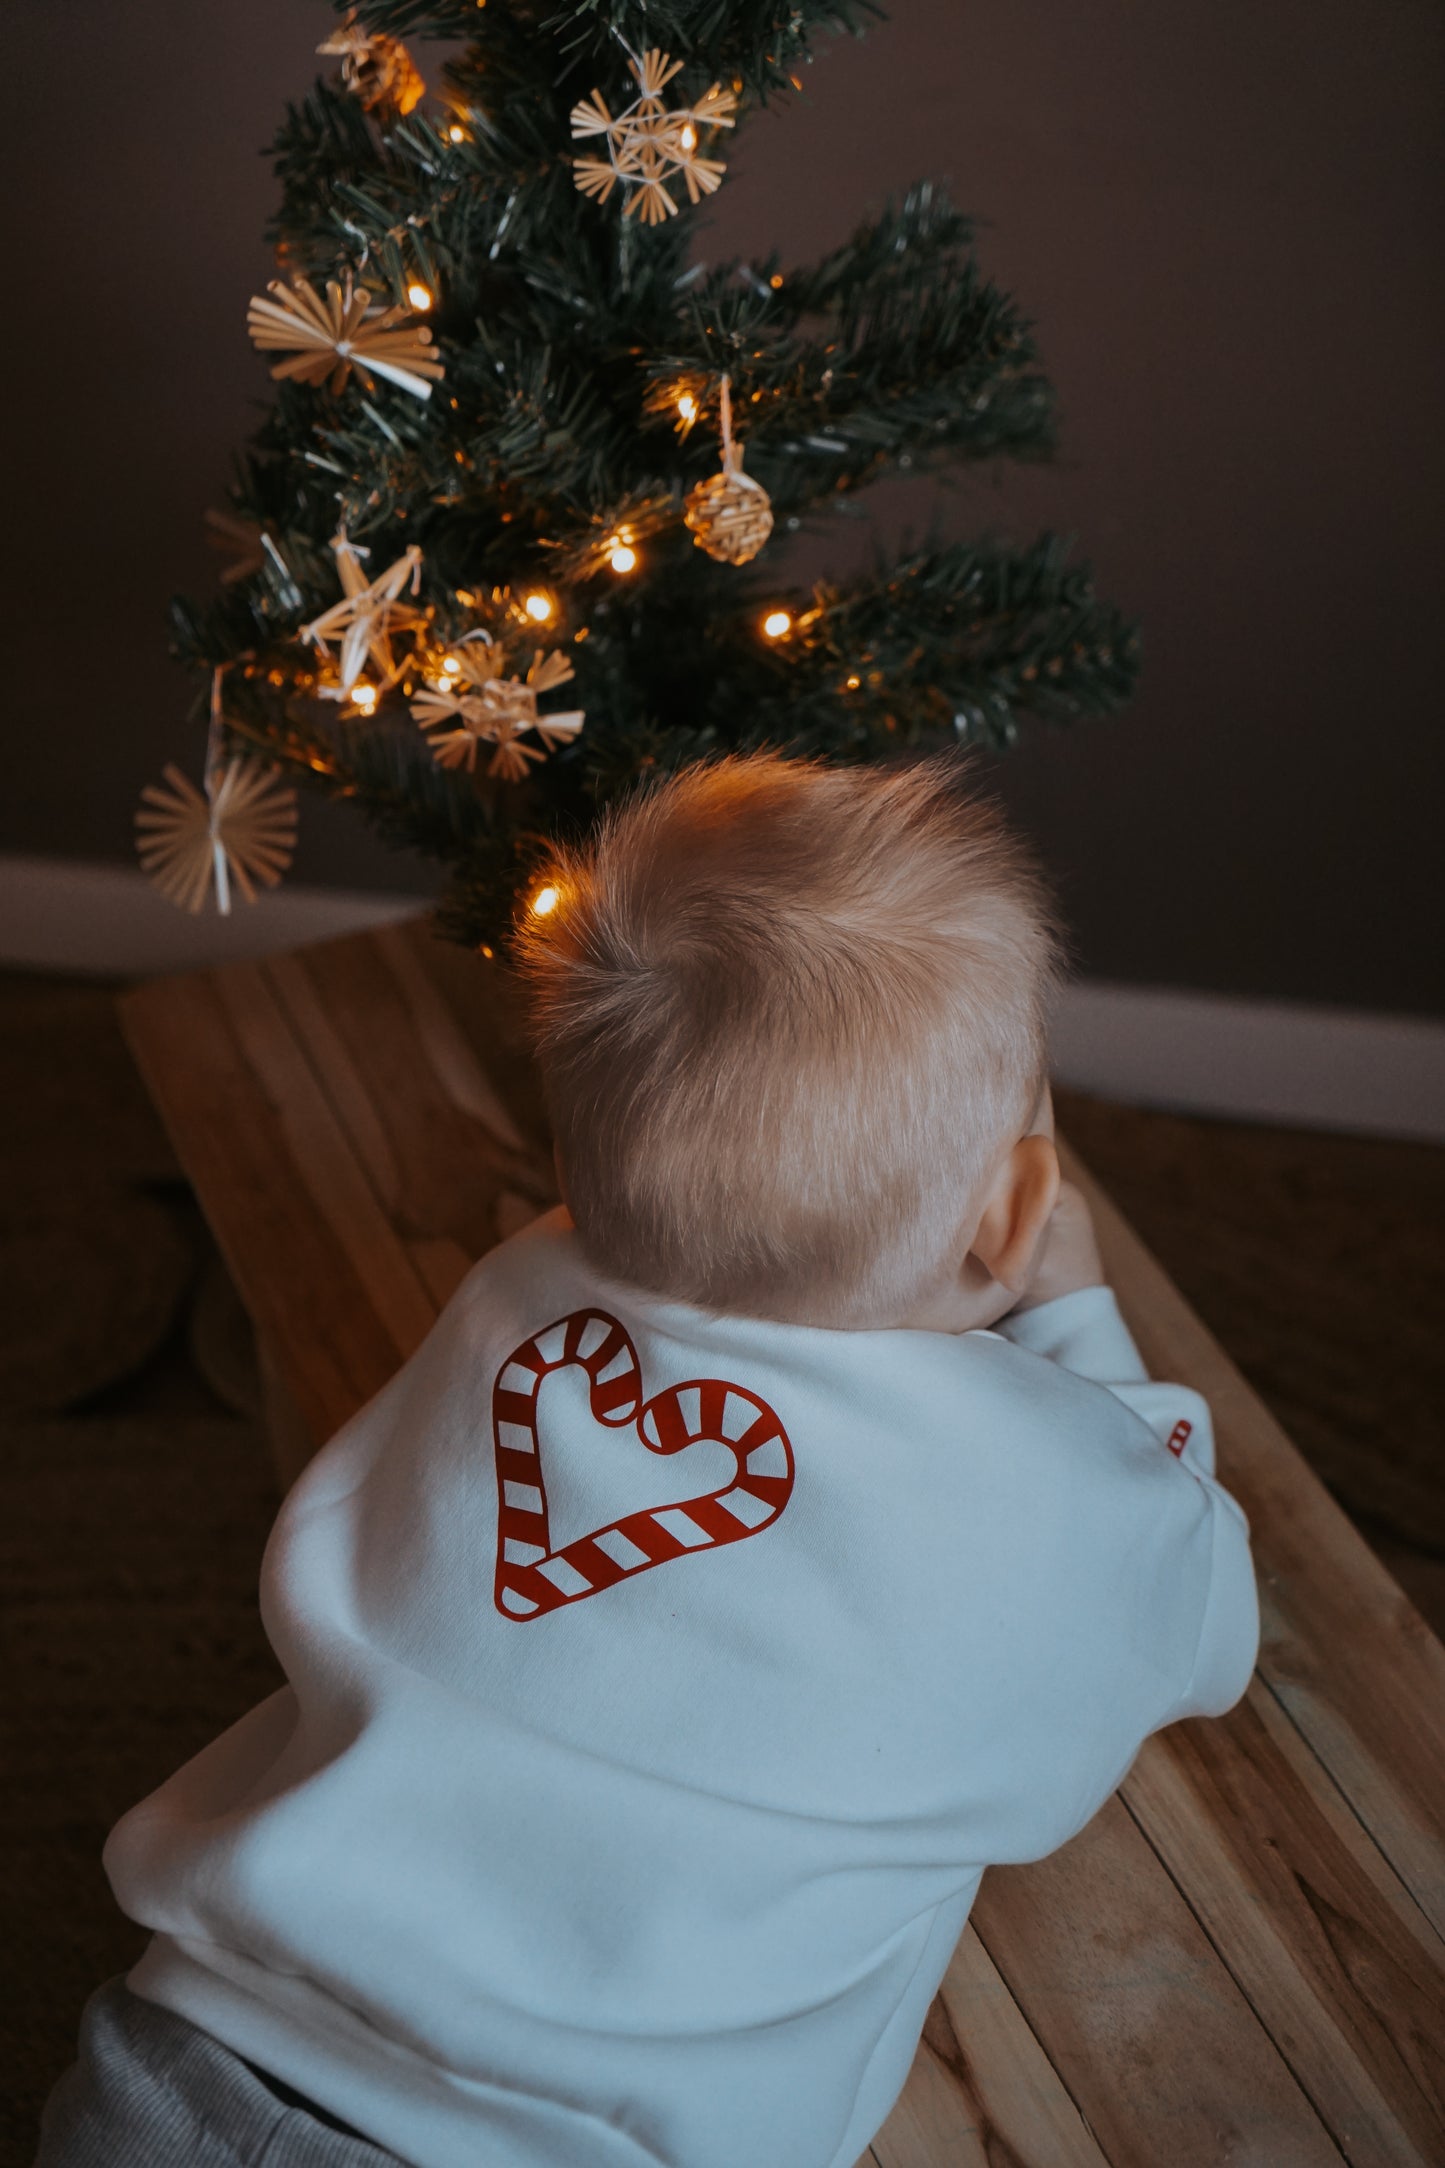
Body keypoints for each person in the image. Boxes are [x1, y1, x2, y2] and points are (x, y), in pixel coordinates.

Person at [36, 754, 1259, 2168]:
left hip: (180, 2055)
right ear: (1018, 1208)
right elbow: (1203, 1599)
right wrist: (1077, 1326)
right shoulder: (1049, 1501)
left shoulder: (517, 1301)